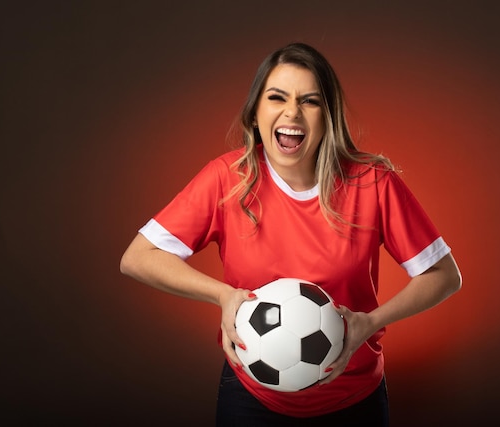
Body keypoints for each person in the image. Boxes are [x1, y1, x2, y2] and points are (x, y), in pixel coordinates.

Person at [120, 42, 461, 426]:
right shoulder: (228, 179)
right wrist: (222, 294)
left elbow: (444, 275)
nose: (292, 112)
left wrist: (369, 321)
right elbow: (138, 257)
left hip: (354, 398)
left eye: (310, 101)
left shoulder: (372, 182)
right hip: (251, 397)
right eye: (277, 97)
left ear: (328, 117)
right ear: (255, 113)